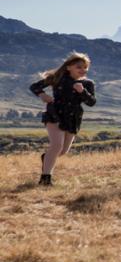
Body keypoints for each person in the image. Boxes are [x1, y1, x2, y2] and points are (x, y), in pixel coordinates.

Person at [29, 52, 96, 186]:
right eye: (79, 67)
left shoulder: (88, 84)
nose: (83, 70)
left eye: (85, 67)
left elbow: (91, 102)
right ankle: (45, 179)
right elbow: (34, 87)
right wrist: (42, 95)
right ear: (68, 67)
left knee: (63, 151)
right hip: (55, 114)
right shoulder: (57, 78)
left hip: (73, 118)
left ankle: (46, 158)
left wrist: (82, 91)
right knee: (56, 146)